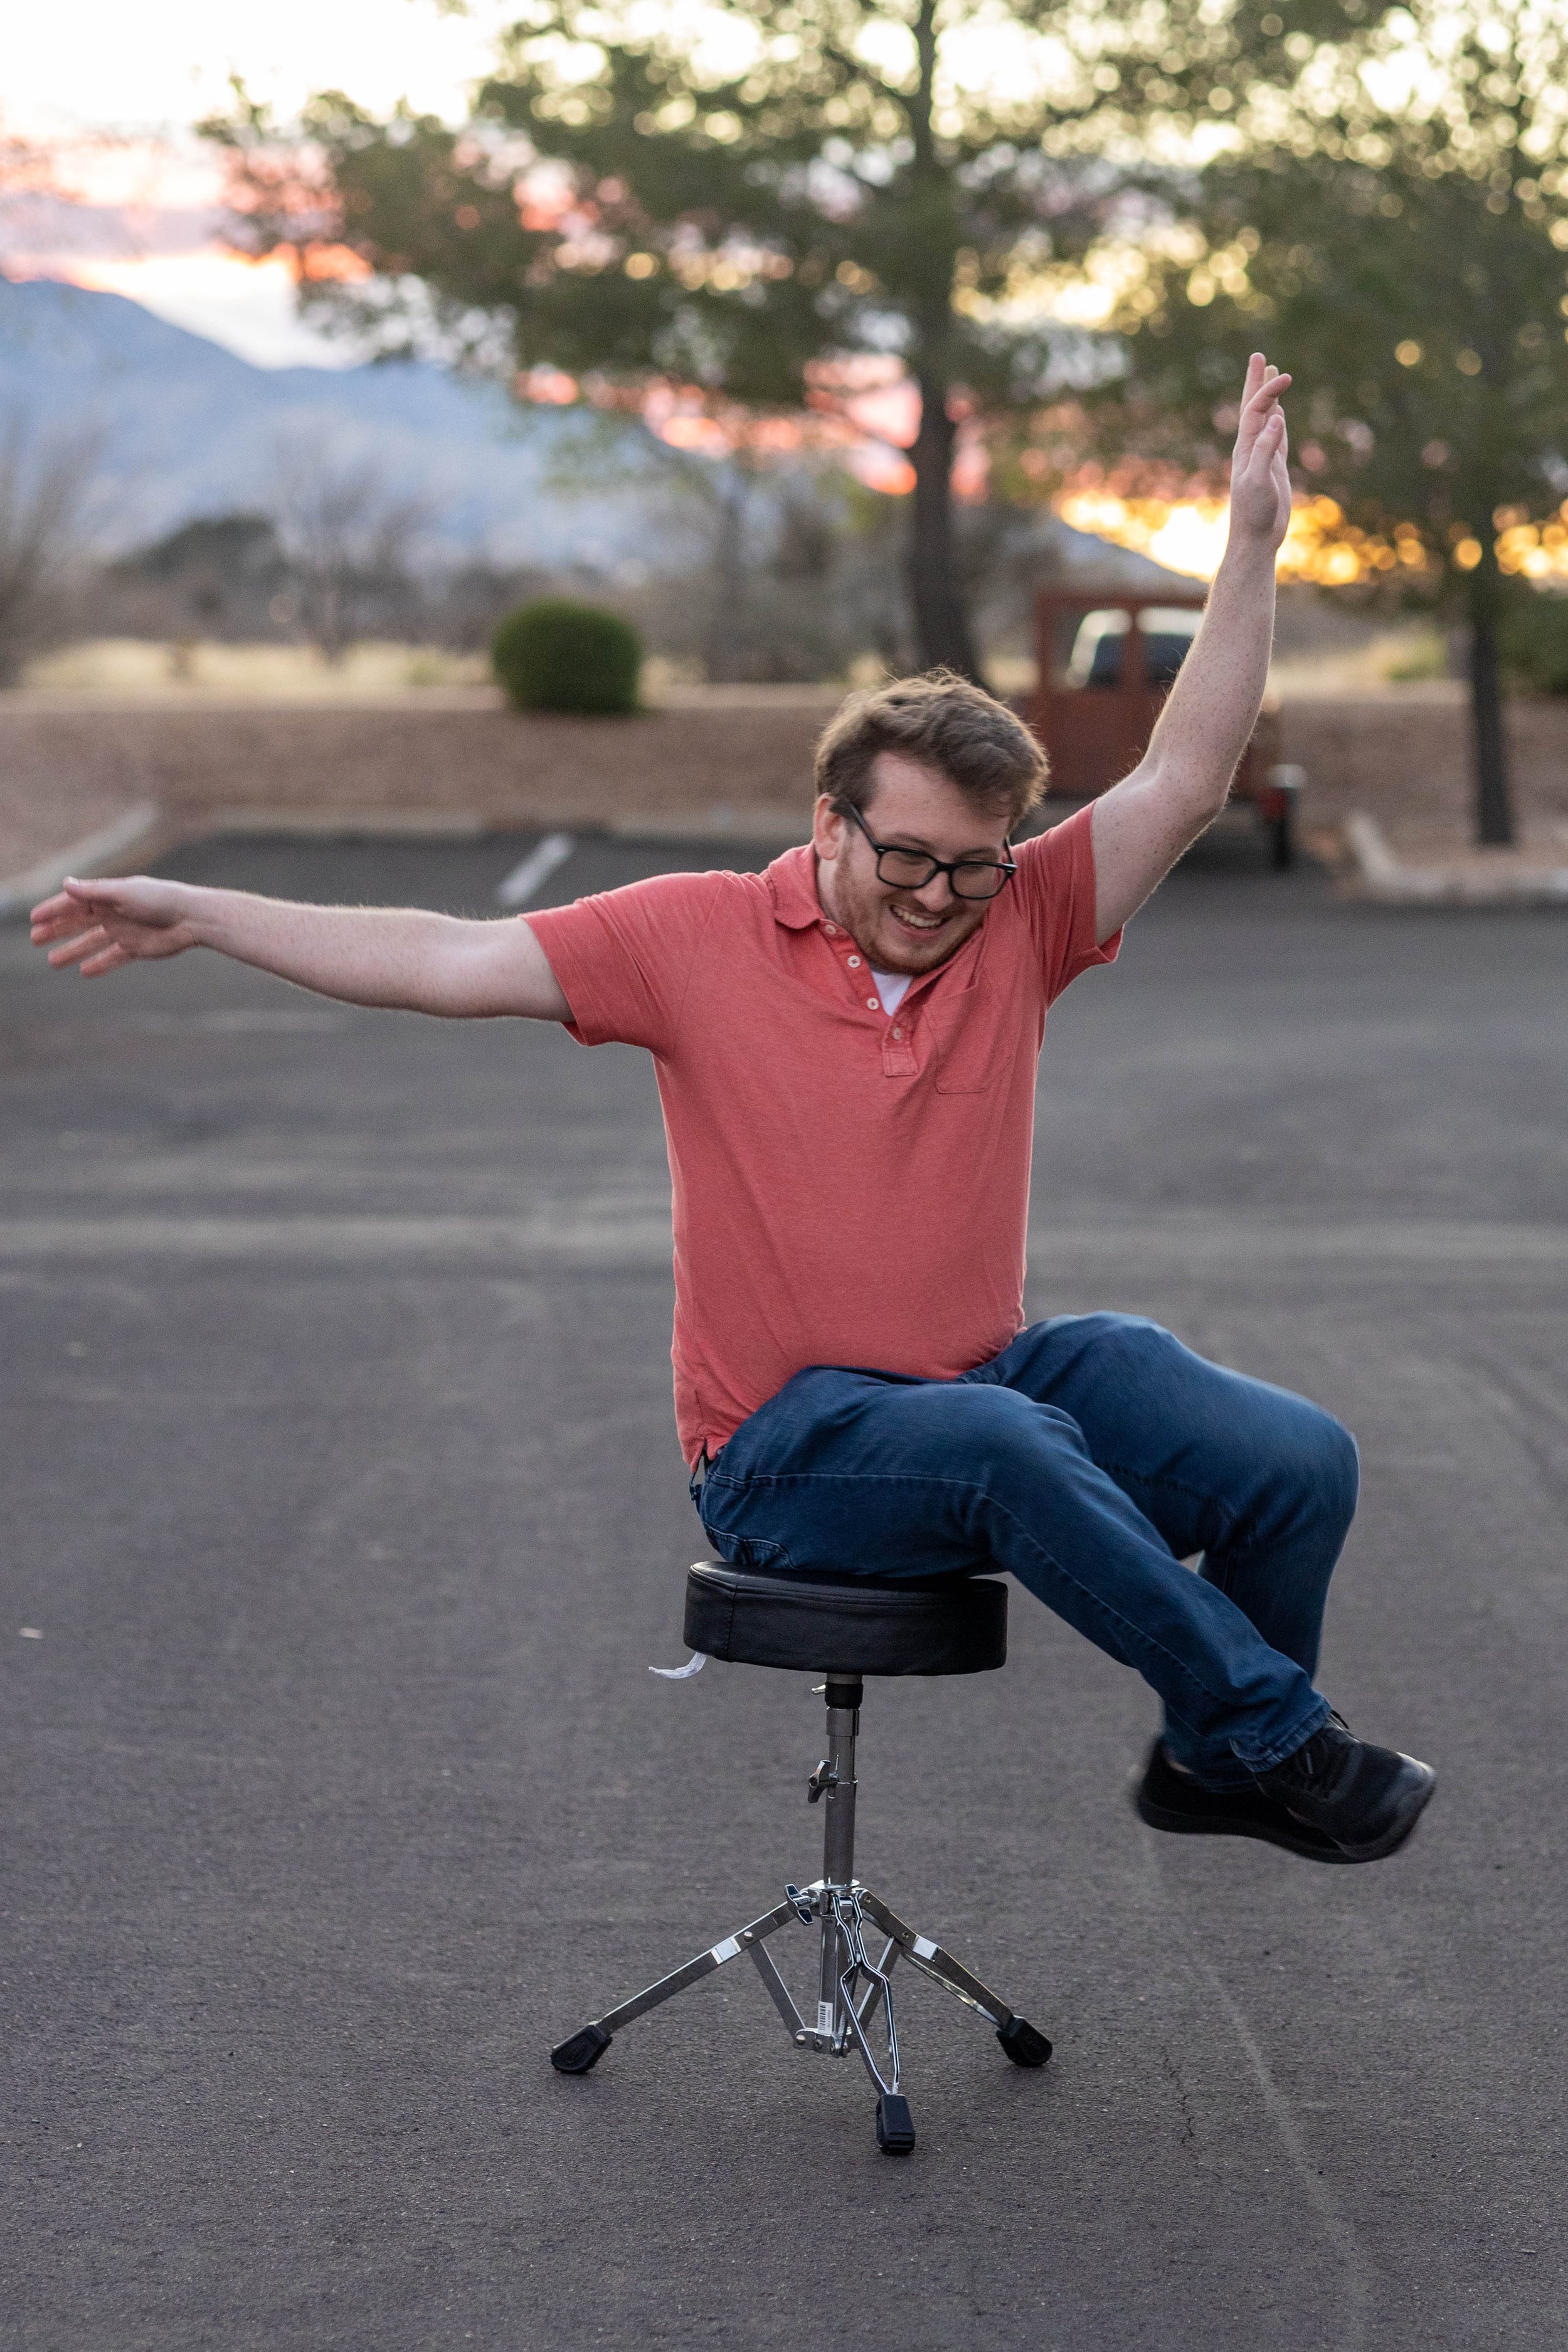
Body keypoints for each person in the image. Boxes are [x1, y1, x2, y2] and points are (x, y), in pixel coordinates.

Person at [31, 354, 1433, 1866]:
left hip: (983, 1383)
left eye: (972, 867)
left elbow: (1184, 775)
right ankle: (1276, 1735)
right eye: (906, 861)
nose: (940, 901)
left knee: (1294, 1460)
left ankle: (1213, 1763)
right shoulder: (687, 936)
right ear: (827, 823)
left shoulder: (1020, 918)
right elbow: (443, 957)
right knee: (1000, 1444)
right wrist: (206, 910)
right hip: (787, 1451)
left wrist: (1247, 548)